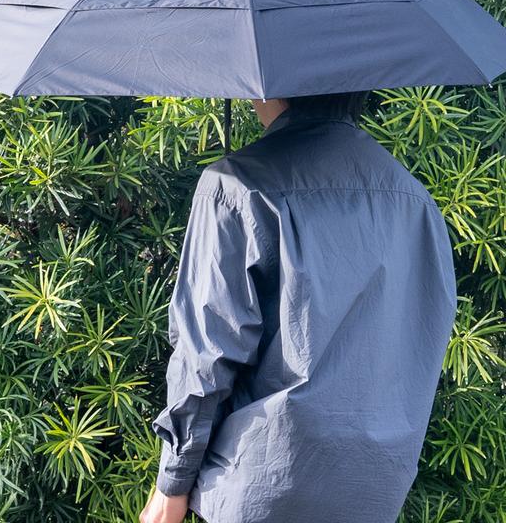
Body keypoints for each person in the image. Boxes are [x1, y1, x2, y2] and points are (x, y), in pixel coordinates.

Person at [139, 92, 457, 523]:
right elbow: (424, 337)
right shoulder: (414, 200)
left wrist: (171, 484)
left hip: (261, 485)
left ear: (266, 85)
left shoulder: (236, 183)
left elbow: (207, 351)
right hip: (373, 494)